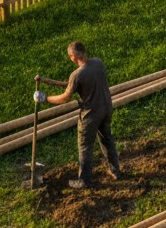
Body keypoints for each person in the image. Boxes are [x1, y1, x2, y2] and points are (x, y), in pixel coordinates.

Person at [39, 41, 120, 189]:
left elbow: (65, 97)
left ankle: (84, 180)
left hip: (91, 115)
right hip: (106, 107)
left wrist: (45, 98)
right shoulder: (98, 63)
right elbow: (76, 83)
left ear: (72, 56)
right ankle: (115, 171)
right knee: (106, 138)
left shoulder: (77, 75)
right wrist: (61, 83)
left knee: (85, 146)